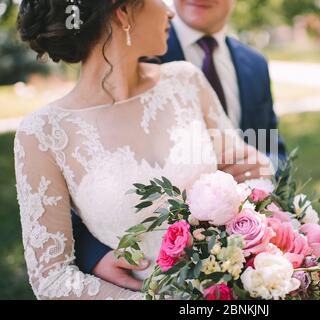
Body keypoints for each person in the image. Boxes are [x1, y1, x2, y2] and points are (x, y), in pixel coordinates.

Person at [15, 0, 272, 299]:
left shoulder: (186, 80)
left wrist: (261, 171)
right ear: (122, 12)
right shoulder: (42, 133)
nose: (170, 11)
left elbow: (250, 178)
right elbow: (52, 279)